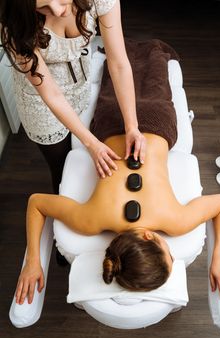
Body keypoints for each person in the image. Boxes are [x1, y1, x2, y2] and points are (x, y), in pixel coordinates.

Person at [15, 132, 220, 305]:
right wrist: (33, 262)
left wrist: (219, 259)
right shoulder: (90, 221)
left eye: (168, 252)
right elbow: (36, 203)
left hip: (156, 121)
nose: (171, 249)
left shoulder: (176, 221)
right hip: (111, 123)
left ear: (149, 236)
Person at [0, 0, 146, 194]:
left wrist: (132, 126)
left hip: (79, 84)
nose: (58, 11)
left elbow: (118, 64)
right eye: (43, 7)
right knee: (62, 169)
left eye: (60, 0)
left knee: (81, 159)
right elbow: (51, 94)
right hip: (41, 104)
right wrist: (92, 144)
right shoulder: (15, 23)